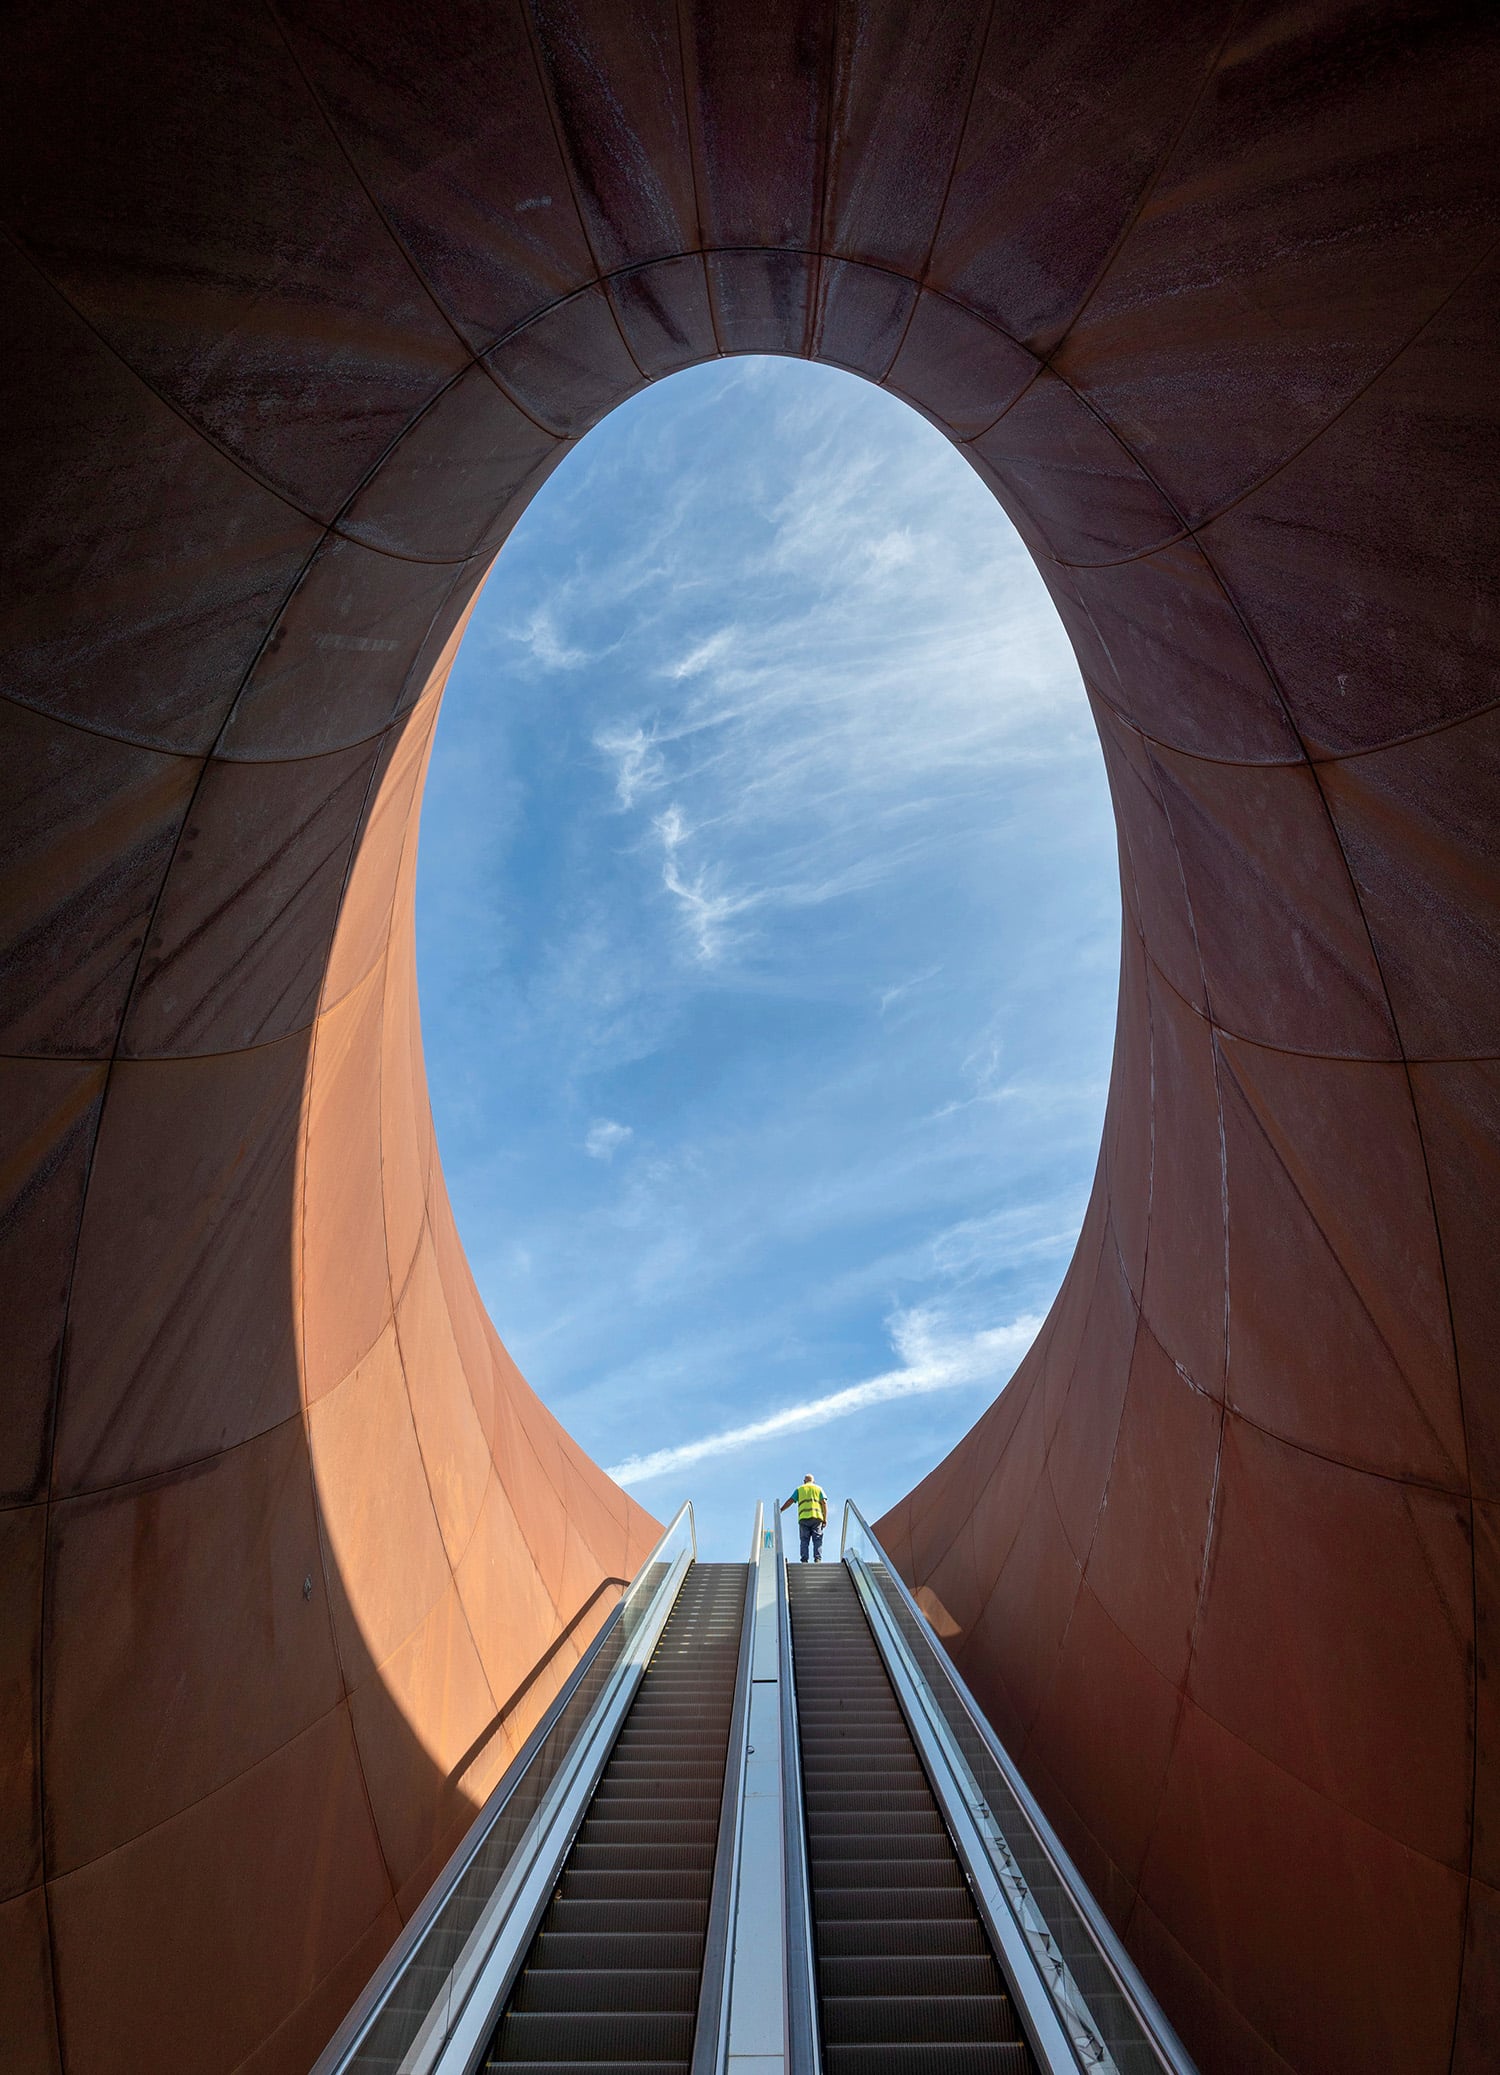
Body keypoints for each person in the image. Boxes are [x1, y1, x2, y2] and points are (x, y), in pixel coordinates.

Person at [780, 1474, 828, 1563]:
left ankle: (804, 1560)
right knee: (817, 1539)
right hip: (817, 1518)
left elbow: (790, 1501)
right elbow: (824, 1503)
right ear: (814, 1481)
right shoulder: (818, 1489)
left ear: (804, 1481)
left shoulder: (799, 1489)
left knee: (804, 1540)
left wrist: (781, 1510)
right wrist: (825, 1519)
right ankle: (817, 1559)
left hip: (803, 1519)